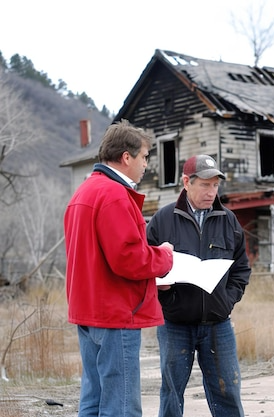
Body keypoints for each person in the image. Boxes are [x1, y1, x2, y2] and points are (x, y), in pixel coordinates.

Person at [64, 119, 174, 417]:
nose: (146, 165)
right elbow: (128, 258)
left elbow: (99, 258)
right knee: (122, 405)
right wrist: (164, 257)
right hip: (115, 315)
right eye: (145, 157)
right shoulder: (114, 194)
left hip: (88, 312)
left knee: (94, 400)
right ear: (127, 157)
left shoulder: (83, 192)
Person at [146, 154, 251, 417]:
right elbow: (145, 263)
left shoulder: (229, 221)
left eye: (215, 185)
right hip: (174, 323)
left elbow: (241, 269)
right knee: (171, 392)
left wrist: (227, 301)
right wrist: (163, 292)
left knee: (228, 392)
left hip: (218, 324)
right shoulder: (162, 220)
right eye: (205, 184)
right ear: (186, 182)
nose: (211, 191)